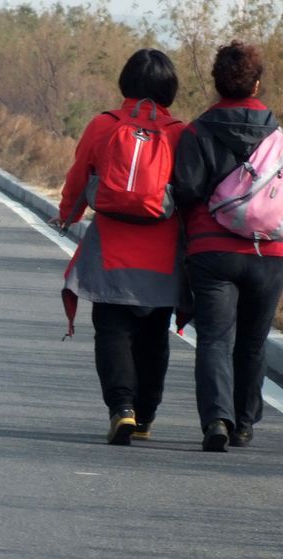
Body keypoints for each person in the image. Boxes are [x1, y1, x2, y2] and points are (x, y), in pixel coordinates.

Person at [172, 40, 283, 451]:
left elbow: (188, 189)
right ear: (257, 83)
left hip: (213, 253)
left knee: (215, 338)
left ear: (216, 83)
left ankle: (217, 419)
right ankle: (245, 422)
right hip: (268, 255)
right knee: (252, 341)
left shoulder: (198, 131)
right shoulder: (280, 135)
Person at [50, 49, 187, 445]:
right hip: (162, 253)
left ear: (125, 82)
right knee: (154, 335)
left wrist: (67, 215)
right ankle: (145, 416)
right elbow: (192, 194)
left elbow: (79, 178)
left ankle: (121, 408)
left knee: (112, 330)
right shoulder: (179, 132)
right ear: (169, 87)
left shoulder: (103, 124)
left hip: (111, 247)